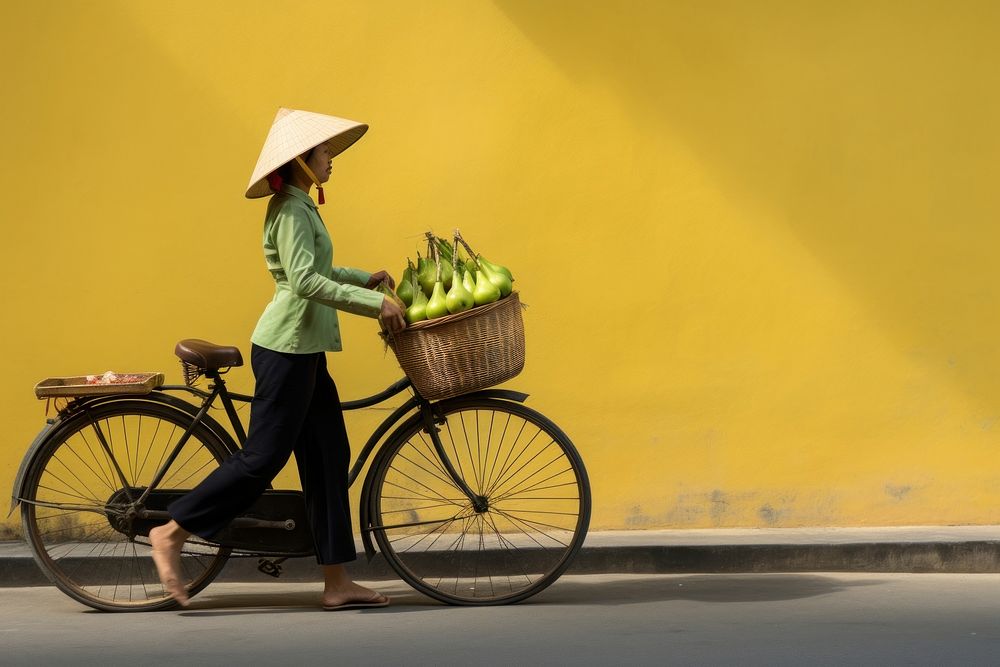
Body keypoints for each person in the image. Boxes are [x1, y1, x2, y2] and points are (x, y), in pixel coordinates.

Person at [150, 108, 407, 610]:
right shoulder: (290, 210)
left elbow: (320, 269)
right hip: (286, 350)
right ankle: (174, 530)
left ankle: (336, 582)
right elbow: (306, 283)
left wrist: (364, 279)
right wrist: (375, 305)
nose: (332, 158)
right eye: (325, 151)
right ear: (303, 161)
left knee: (329, 459)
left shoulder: (302, 206)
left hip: (306, 351)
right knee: (262, 459)